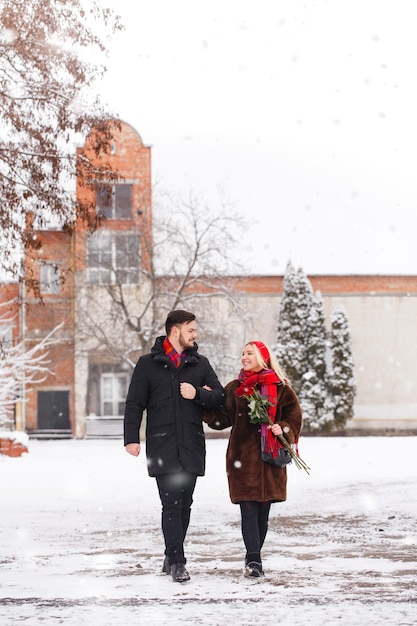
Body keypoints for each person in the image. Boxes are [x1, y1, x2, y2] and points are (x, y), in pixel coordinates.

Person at [124, 309, 225, 583]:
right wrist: (131, 437)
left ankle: (171, 554)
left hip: (191, 443)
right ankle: (179, 562)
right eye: (191, 329)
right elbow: (135, 403)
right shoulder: (148, 364)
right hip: (161, 445)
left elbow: (219, 397)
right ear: (175, 330)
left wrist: (198, 394)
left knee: (185, 505)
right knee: (171, 504)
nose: (195, 334)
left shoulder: (199, 364)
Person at [203, 340, 302, 578]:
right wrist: (203, 402)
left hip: (270, 460)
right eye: (243, 353)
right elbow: (221, 420)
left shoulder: (281, 389)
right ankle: (254, 559)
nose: (244, 357)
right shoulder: (235, 388)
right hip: (242, 460)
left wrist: (284, 428)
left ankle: (254, 555)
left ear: (262, 358)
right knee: (248, 509)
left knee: (263, 512)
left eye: (249, 353)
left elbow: (294, 417)